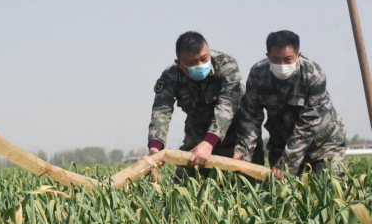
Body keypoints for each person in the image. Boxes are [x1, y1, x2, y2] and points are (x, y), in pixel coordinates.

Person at [148, 31, 263, 181]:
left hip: (237, 135)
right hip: (198, 136)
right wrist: (156, 146)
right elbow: (161, 111)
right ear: (179, 63)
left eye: (204, 58)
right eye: (192, 63)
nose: (200, 65)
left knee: (249, 187)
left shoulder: (226, 65)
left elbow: (227, 106)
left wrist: (209, 143)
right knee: (185, 187)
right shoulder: (170, 77)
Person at [233, 30, 346, 179]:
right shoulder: (258, 74)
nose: (282, 65)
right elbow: (251, 117)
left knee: (329, 188)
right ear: (267, 57)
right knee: (281, 193)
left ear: (298, 56)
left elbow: (307, 126)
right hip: (281, 142)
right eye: (275, 59)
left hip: (323, 143)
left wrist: (285, 165)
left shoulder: (313, 75)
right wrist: (242, 152)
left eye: (288, 59)